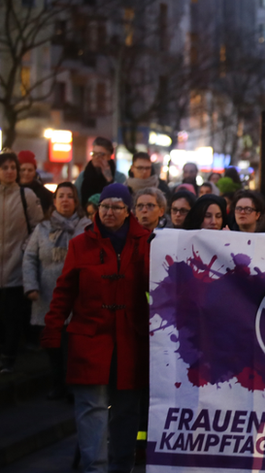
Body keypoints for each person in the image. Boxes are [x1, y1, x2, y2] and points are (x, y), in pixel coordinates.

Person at [41, 183, 150, 473]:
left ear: (128, 212)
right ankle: (95, 469)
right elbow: (64, 291)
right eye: (105, 207)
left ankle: (121, 467)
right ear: (96, 209)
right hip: (89, 339)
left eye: (116, 207)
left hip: (131, 342)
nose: (109, 212)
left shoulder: (148, 243)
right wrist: (52, 330)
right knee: (91, 410)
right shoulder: (80, 244)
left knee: (126, 412)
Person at [22, 182, 89, 397]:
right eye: (61, 196)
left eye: (70, 196)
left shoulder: (86, 227)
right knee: (52, 344)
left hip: (77, 296)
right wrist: (31, 285)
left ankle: (71, 386)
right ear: (55, 200)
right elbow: (30, 257)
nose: (65, 200)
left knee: (72, 345)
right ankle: (57, 385)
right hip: (48, 294)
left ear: (76, 201)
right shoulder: (42, 228)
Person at [0, 151, 44, 373]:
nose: (10, 171)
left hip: (17, 264)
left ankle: (9, 357)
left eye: (12, 168)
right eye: (5, 167)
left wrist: (26, 249)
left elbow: (37, 226)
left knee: (13, 315)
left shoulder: (25, 196)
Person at [76, 137, 127, 205]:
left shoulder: (119, 177)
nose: (96, 157)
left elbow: (122, 200)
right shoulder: (83, 176)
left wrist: (109, 180)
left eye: (101, 154)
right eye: (94, 154)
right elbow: (76, 199)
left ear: (109, 156)